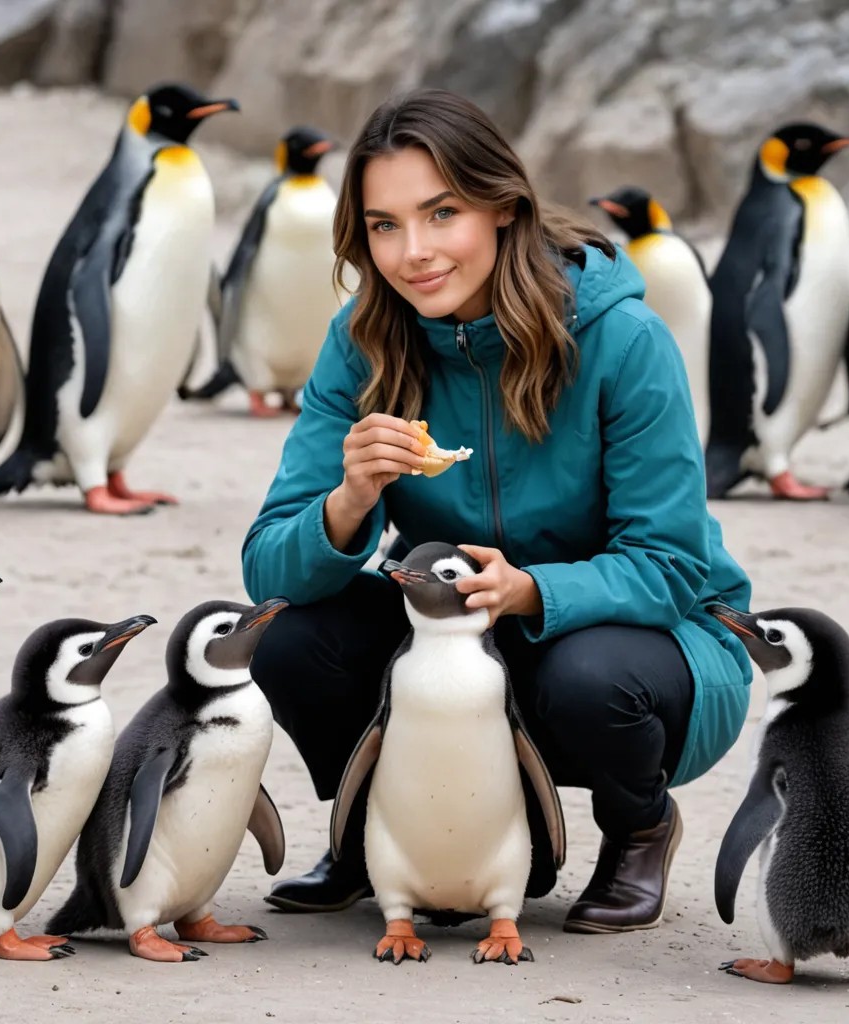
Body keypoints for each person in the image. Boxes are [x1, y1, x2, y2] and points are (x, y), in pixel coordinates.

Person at [241, 88, 753, 934]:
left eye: (442, 213)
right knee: (289, 635)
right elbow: (268, 564)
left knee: (585, 679)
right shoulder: (363, 343)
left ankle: (638, 828)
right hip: (461, 633)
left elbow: (671, 564)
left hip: (651, 644)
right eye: (384, 225)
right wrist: (350, 498)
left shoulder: (623, 341)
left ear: (502, 206)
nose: (414, 252)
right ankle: (379, 833)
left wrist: (530, 593)